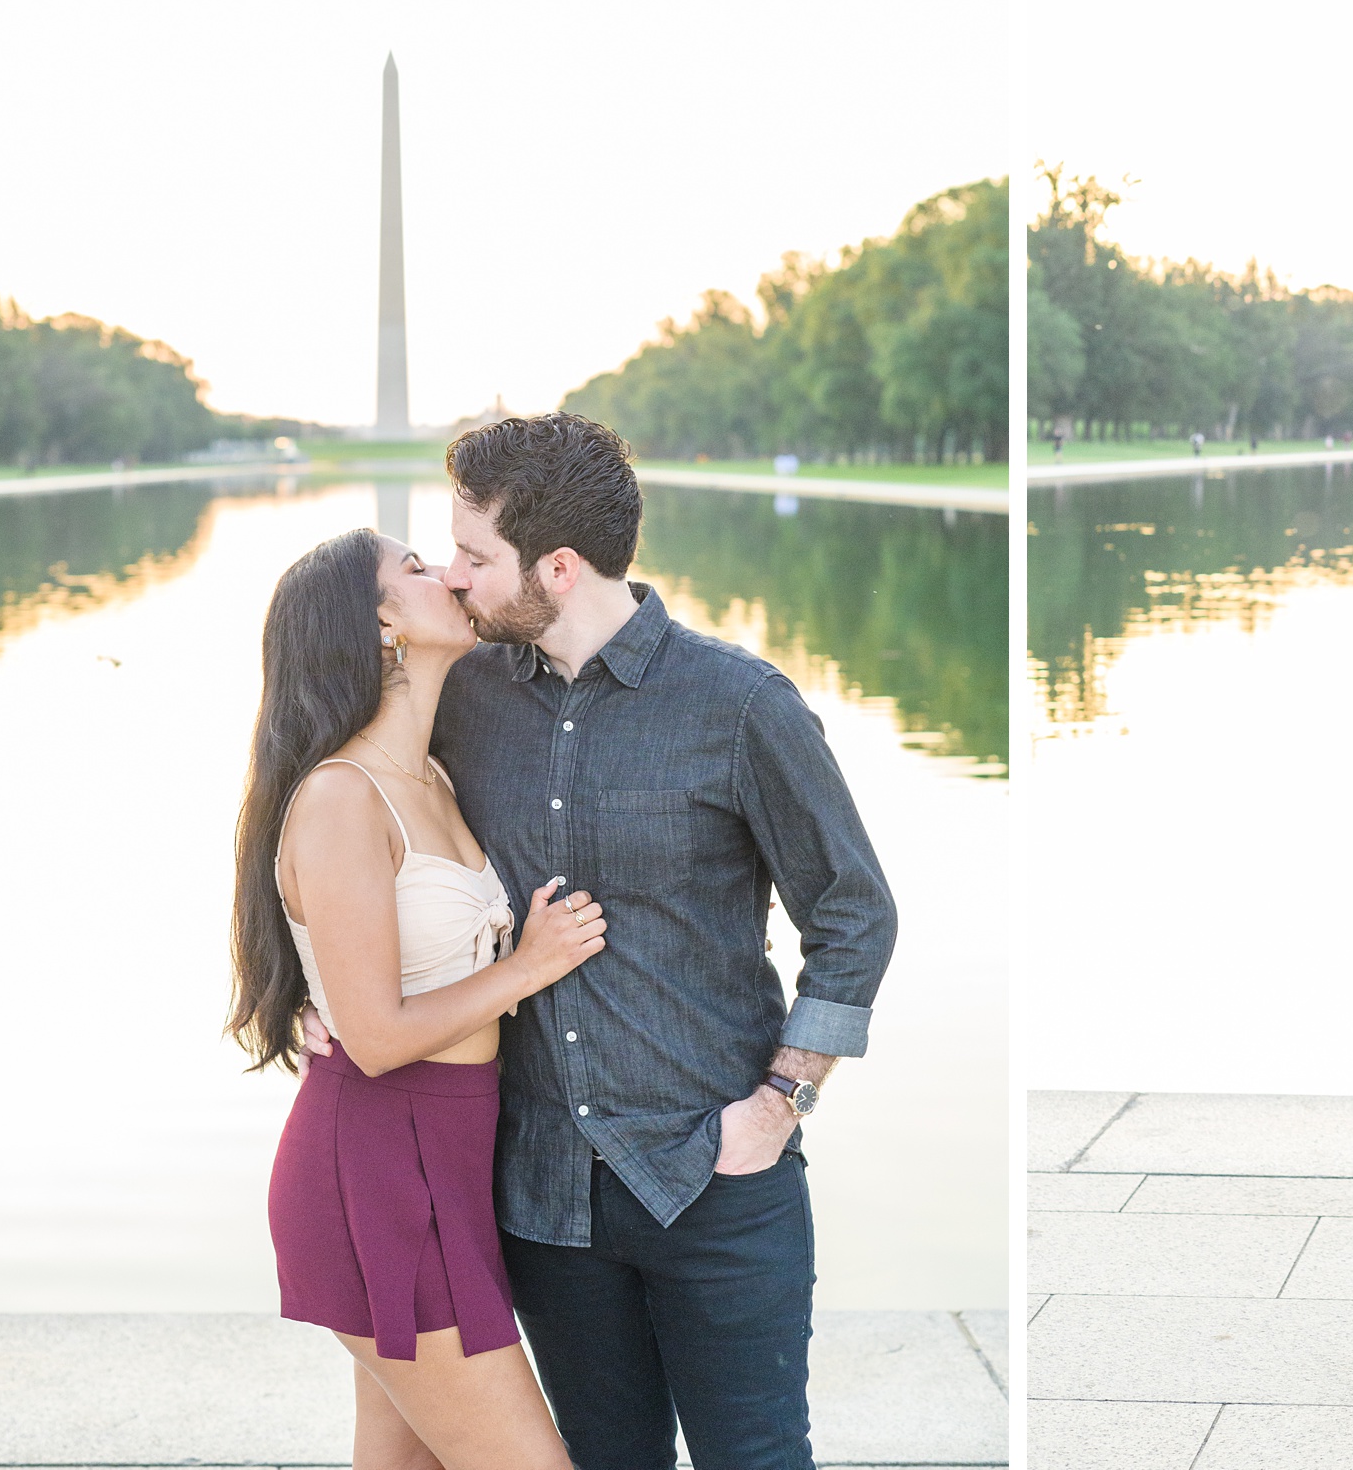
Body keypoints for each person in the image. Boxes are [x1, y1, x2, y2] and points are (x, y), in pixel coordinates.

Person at [307, 413, 898, 1470]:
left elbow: (854, 911)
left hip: (715, 1179)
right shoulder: (465, 698)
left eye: (477, 557)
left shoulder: (740, 703)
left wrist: (784, 1100)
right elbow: (342, 816)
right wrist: (315, 985)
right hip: (542, 1195)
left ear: (561, 567)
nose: (456, 574)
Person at [229, 528, 608, 1468]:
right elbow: (377, 1038)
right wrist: (528, 965)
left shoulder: (429, 773)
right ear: (383, 624)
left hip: (451, 1160)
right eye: (415, 567)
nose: (445, 573)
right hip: (375, 1166)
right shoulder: (341, 797)